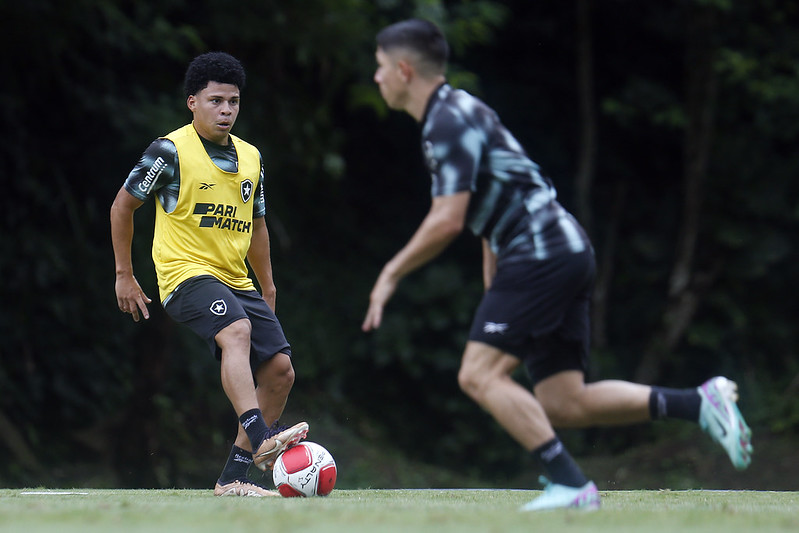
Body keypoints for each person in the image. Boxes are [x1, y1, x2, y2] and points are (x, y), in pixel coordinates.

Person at [362, 19, 753, 511]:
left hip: (540, 254)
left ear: (403, 70)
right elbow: (491, 204)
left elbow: (448, 220)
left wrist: (391, 273)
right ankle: (697, 404)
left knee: (477, 375)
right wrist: (495, 285)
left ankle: (570, 483)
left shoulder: (446, 122)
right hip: (562, 251)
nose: (376, 77)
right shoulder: (457, 111)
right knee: (563, 401)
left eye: (380, 67)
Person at [110, 52, 308, 497]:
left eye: (233, 102)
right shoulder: (169, 151)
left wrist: (268, 284)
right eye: (215, 101)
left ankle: (232, 478)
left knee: (280, 372)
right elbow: (122, 206)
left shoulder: (251, 157)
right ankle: (262, 439)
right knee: (236, 331)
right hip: (184, 275)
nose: (226, 111)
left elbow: (256, 225)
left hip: (235, 280)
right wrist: (124, 274)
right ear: (192, 102)